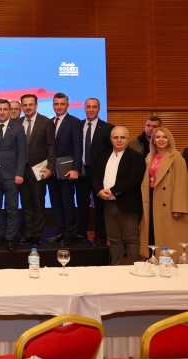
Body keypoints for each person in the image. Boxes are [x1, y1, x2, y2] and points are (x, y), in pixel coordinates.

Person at [92, 127, 145, 265]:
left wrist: (113, 190)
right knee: (114, 239)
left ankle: (133, 268)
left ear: (128, 139)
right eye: (116, 137)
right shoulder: (104, 156)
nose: (119, 140)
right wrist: (99, 191)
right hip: (108, 204)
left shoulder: (136, 157)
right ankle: (116, 268)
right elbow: (95, 176)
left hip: (128, 205)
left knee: (131, 239)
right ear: (111, 139)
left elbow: (134, 178)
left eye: (122, 137)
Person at [140, 127, 188, 261]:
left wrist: (178, 207)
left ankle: (170, 262)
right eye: (158, 137)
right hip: (151, 197)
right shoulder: (150, 157)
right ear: (153, 140)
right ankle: (154, 260)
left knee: (168, 235)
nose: (161, 140)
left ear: (169, 140)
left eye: (164, 137)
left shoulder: (176, 157)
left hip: (168, 199)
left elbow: (181, 183)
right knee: (153, 231)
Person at [0, 100, 26, 252]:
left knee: (11, 208)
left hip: (11, 175)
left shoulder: (18, 128)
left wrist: (19, 173)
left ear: (10, 111)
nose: (2, 112)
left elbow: (22, 153)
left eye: (5, 109)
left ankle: (10, 237)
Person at [17, 94, 55, 247]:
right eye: (25, 105)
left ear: (36, 105)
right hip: (22, 170)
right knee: (26, 204)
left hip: (39, 169)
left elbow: (51, 146)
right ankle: (28, 234)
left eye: (30, 104)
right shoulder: (17, 123)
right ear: (22, 106)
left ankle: (37, 235)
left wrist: (50, 167)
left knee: (38, 205)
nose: (28, 107)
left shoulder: (46, 122)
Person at [76, 98, 114, 246]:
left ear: (99, 109)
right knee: (82, 205)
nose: (91, 110)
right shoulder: (77, 126)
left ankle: (100, 236)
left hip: (100, 174)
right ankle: (81, 233)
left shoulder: (107, 128)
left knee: (100, 207)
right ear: (84, 108)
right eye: (88, 107)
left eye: (94, 107)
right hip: (81, 172)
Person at [46, 93, 82, 247]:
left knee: (68, 203)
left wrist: (75, 169)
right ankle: (60, 230)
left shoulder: (74, 122)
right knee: (56, 202)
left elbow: (78, 147)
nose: (59, 107)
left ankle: (69, 234)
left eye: (62, 104)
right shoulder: (49, 122)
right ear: (53, 105)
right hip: (51, 171)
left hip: (67, 170)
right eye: (56, 104)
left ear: (68, 105)